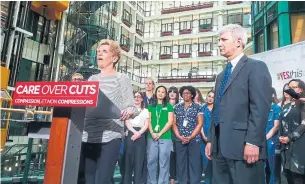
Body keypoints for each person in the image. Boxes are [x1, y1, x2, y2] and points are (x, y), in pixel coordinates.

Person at [205, 24, 272, 184]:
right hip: (220, 149)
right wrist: (210, 140)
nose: (219, 44)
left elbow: (260, 108)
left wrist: (253, 142)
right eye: (218, 40)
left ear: (238, 41)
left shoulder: (255, 67)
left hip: (244, 148)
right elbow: (217, 110)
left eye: (223, 39)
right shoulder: (221, 75)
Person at [80, 39, 139, 184]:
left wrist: (128, 112)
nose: (99, 54)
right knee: (88, 179)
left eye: (104, 51)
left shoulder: (122, 79)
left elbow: (133, 108)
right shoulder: (92, 79)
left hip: (111, 137)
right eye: (98, 51)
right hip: (88, 135)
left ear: (114, 58)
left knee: (103, 180)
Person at [173, 85, 203, 184]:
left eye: (188, 93)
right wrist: (179, 136)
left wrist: (190, 137)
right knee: (180, 163)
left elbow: (200, 123)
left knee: (194, 163)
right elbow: (174, 123)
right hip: (180, 139)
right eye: (184, 93)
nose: (185, 95)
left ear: (192, 95)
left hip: (194, 139)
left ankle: (194, 182)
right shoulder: (176, 107)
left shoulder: (198, 107)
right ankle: (182, 182)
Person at [279, 79, 305, 184]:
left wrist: (290, 137)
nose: (290, 90)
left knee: (298, 177)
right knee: (288, 176)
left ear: (301, 89)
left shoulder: (303, 104)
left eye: (294, 87)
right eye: (289, 87)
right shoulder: (286, 106)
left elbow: (304, 124)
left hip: (299, 147)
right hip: (285, 149)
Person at [147, 85, 174, 184]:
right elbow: (148, 121)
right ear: (156, 92)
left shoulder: (169, 106)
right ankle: (151, 182)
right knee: (151, 161)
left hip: (165, 137)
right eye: (159, 91)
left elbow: (170, 122)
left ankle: (162, 182)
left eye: (163, 92)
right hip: (151, 137)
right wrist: (153, 133)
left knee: (164, 162)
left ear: (165, 94)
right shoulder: (150, 106)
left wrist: (160, 133)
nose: (160, 93)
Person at [122, 91, 149, 184]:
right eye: (134, 96)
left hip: (141, 135)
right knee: (128, 162)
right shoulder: (128, 110)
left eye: (138, 96)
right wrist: (134, 132)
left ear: (142, 99)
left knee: (139, 162)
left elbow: (146, 125)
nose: (136, 98)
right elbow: (127, 122)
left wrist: (138, 133)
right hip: (130, 134)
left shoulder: (145, 111)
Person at [265, 88, 281, 184]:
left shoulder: (276, 108)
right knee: (263, 169)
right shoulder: (260, 109)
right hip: (261, 143)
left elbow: (276, 126)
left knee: (273, 170)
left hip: (272, 143)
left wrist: (265, 137)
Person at [200, 90, 215, 184]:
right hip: (203, 139)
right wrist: (204, 137)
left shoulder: (218, 109)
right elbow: (200, 124)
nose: (210, 98)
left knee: (216, 165)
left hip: (216, 140)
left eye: (213, 97)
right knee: (206, 164)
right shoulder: (202, 109)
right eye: (209, 96)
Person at [168, 86, 179, 184]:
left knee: (177, 157)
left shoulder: (180, 106)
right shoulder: (165, 105)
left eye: (174, 92)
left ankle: (176, 178)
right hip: (167, 135)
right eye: (170, 92)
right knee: (170, 157)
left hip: (178, 135)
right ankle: (172, 179)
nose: (172, 93)